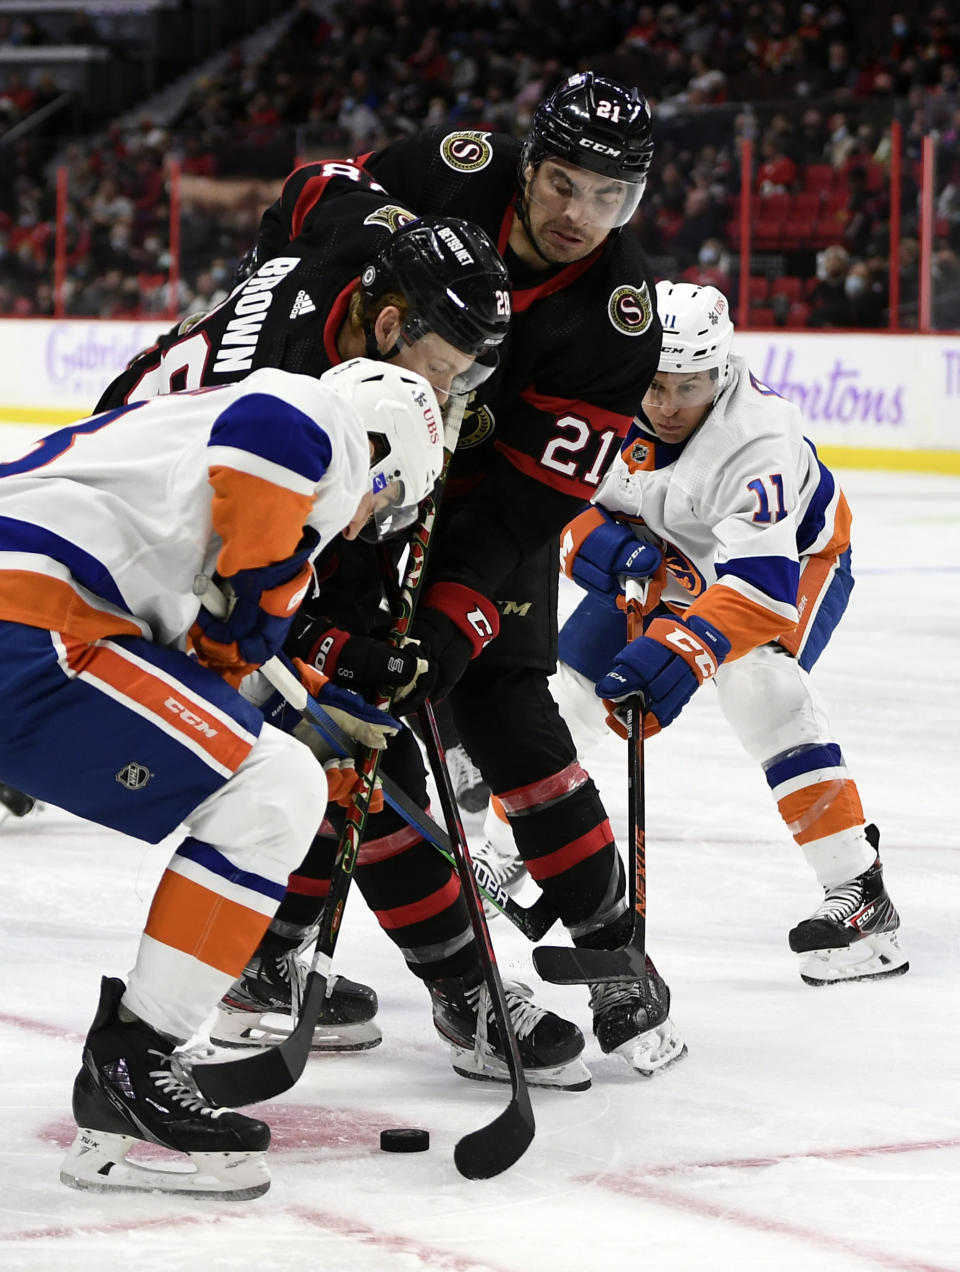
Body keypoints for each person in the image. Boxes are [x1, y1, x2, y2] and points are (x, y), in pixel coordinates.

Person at [255, 72, 687, 1079]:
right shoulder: (449, 170)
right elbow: (312, 209)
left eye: (610, 197)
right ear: (528, 159)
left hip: (484, 508)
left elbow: (529, 504)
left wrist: (455, 616)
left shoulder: (619, 325)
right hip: (361, 474)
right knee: (353, 716)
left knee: (506, 711)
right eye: (564, 184)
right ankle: (385, 975)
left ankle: (614, 948)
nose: (581, 216)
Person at [0, 358, 444, 1197]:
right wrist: (264, 605)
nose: (360, 527)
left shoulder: (180, 458)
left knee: (275, 774)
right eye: (381, 502)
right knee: (274, 792)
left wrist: (302, 705)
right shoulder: (310, 416)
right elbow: (273, 439)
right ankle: (132, 1068)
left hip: (39, 612)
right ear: (379, 454)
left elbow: (192, 654)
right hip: (29, 620)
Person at [482, 280, 909, 989]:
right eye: (656, 383)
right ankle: (504, 851)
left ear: (723, 370)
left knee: (761, 686)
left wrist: (684, 646)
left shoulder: (758, 438)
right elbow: (554, 503)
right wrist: (596, 544)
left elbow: (762, 592)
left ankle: (863, 895)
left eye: (691, 386)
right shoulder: (599, 387)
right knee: (571, 696)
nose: (667, 404)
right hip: (668, 558)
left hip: (790, 562)